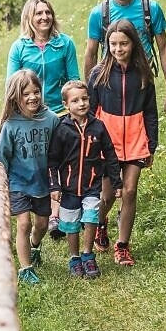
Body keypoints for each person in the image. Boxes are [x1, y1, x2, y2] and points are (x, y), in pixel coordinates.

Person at [5, 0, 80, 240]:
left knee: (58, 162)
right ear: (29, 17)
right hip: (29, 114)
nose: (44, 17)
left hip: (59, 113)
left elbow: (73, 79)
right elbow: (11, 85)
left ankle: (56, 216)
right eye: (39, 13)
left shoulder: (65, 44)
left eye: (47, 12)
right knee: (37, 161)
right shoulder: (19, 48)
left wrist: (74, 110)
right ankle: (37, 206)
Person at [88, 18, 157, 267]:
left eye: (123, 44)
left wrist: (151, 145)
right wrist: (92, 143)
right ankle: (100, 224)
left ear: (133, 44)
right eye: (113, 44)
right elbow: (90, 112)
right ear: (107, 45)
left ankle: (123, 246)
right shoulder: (98, 74)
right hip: (108, 144)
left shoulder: (143, 73)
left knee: (129, 191)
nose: (118, 49)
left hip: (136, 140)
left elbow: (151, 112)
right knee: (107, 196)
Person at [82, 0, 166, 121]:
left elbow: (164, 49)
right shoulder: (98, 14)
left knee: (144, 130)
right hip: (110, 86)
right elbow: (90, 54)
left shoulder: (150, 8)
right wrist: (90, 97)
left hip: (142, 83)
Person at [0, 69, 59, 285]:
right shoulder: (11, 125)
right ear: (15, 96)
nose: (32, 97)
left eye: (36, 92)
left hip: (42, 182)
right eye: (26, 94)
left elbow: (59, 150)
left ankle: (34, 245)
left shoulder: (51, 120)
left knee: (42, 224)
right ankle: (25, 268)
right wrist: (0, 183)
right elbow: (1, 157)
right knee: (23, 223)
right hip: (18, 183)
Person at [47, 79, 116, 279]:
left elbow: (110, 154)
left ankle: (88, 255)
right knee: (71, 224)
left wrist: (116, 182)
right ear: (66, 104)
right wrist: (54, 185)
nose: (81, 103)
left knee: (92, 216)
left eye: (84, 99)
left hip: (92, 185)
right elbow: (52, 160)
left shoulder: (98, 127)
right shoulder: (61, 129)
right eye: (75, 100)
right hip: (69, 188)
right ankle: (75, 258)